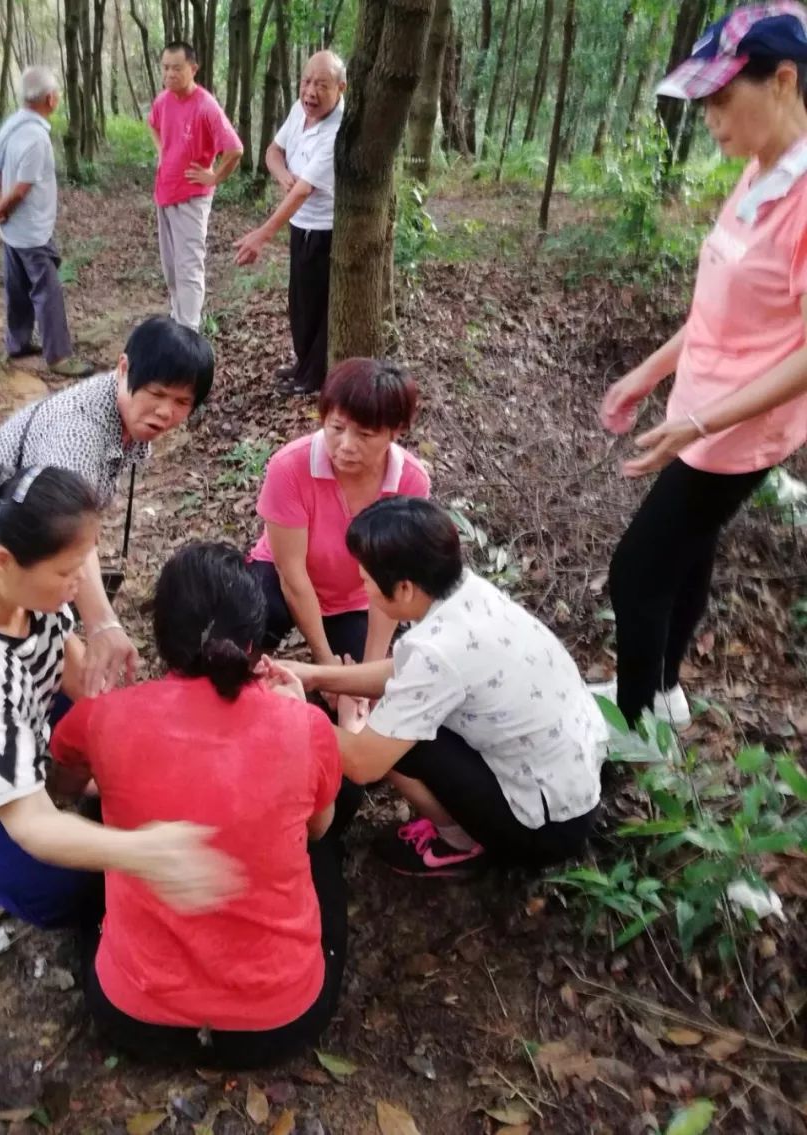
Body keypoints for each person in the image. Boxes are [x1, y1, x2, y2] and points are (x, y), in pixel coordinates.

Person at [0, 461, 240, 927]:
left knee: (113, 752)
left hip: (27, 707)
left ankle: (44, 781)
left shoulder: (4, 562)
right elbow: (31, 824)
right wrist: (145, 851)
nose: (80, 585)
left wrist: (117, 731)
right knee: (71, 892)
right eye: (69, 572)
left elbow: (66, 656)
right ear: (3, 563)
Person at [48, 543, 347, 1068]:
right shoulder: (305, 727)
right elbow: (320, 827)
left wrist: (122, 782)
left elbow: (64, 787)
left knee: (99, 830)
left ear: (161, 635)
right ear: (256, 644)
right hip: (278, 1022)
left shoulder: (104, 716)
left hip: (133, 1016)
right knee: (321, 849)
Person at [595, 4, 807, 728]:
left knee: (637, 572)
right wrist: (650, 375)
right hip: (702, 410)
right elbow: (719, 309)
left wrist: (698, 423)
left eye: (722, 98)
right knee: (688, 552)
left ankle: (632, 731)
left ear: (782, 81)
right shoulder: (758, 174)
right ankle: (663, 693)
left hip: (736, 431)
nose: (710, 119)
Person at [265, 498, 606, 878]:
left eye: (366, 582)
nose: (364, 590)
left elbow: (364, 762)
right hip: (570, 786)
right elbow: (409, 671)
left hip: (543, 829)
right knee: (399, 720)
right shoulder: (468, 592)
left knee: (389, 732)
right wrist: (316, 675)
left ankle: (460, 844)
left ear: (405, 589)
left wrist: (292, 712)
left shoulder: (437, 651)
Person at [0, 316, 214, 696]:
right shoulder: (75, 434)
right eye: (157, 392)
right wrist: (101, 623)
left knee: (40, 634)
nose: (167, 412)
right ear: (123, 369)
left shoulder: (129, 417)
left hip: (21, 540)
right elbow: (63, 530)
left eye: (182, 401)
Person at [247, 358, 430, 665]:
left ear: (395, 432)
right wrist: (324, 659)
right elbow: (291, 573)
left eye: (365, 435)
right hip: (282, 579)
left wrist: (362, 676)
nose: (346, 445)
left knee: (356, 683)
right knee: (249, 623)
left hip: (355, 597)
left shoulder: (410, 481)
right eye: (337, 428)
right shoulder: (290, 467)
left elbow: (390, 580)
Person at [234, 51, 346, 394]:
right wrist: (283, 176)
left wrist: (261, 236)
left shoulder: (336, 130)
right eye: (307, 81)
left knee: (316, 305)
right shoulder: (300, 111)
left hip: (324, 230)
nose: (310, 92)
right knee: (299, 301)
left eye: (321, 85)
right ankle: (301, 365)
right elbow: (272, 151)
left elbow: (304, 192)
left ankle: (313, 377)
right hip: (301, 226)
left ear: (340, 88)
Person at [0, 65, 89, 377]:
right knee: (46, 290)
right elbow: (22, 189)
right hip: (32, 232)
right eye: (58, 94)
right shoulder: (37, 138)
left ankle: (18, 343)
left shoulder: (12, 123)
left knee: (17, 286)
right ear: (51, 99)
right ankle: (59, 356)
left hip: (11, 230)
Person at [149, 41, 244, 331]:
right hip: (164, 193)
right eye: (165, 68)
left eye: (177, 68)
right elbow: (152, 124)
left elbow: (235, 149)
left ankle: (189, 334)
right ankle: (178, 322)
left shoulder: (206, 106)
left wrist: (214, 177)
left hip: (192, 198)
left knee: (188, 267)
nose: (170, 74)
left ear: (193, 68)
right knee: (171, 270)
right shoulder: (163, 101)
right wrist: (162, 152)